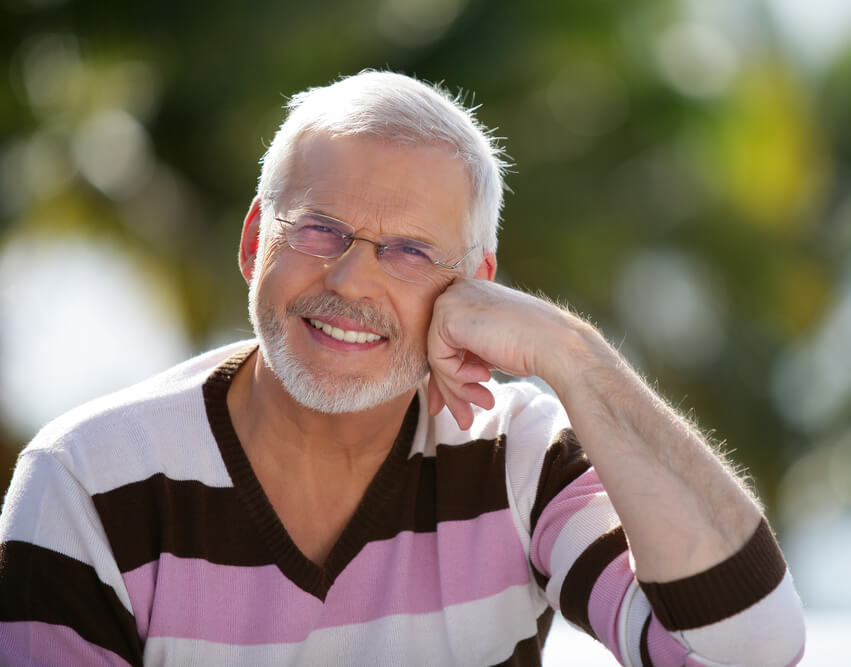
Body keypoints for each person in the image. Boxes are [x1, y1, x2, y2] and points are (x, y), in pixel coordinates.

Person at [0, 70, 805, 666]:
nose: (351, 282)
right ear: (254, 243)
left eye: (410, 252)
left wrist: (570, 353)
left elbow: (750, 651)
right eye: (319, 230)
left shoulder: (521, 456)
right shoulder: (85, 480)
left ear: (476, 282)